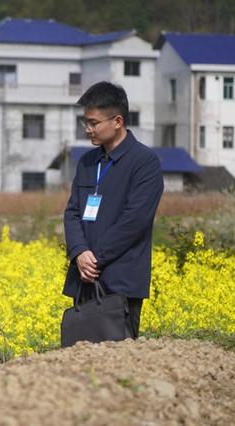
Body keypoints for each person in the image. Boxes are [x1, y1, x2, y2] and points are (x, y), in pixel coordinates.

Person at [63, 81, 163, 338]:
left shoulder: (144, 163)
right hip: (84, 279)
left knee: (119, 365)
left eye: (94, 123)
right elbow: (72, 212)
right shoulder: (87, 161)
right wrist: (79, 252)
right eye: (86, 122)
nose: (88, 129)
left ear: (117, 121)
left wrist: (96, 259)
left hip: (121, 280)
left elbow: (135, 220)